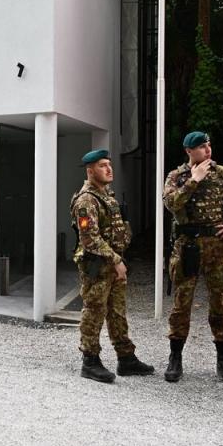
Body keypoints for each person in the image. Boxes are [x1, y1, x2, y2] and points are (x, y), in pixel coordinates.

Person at [162, 131, 223, 384]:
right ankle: (175, 358)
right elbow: (171, 203)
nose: (208, 150)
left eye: (209, 144)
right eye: (201, 146)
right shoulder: (177, 176)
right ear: (189, 151)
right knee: (181, 304)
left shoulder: (222, 173)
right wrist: (194, 180)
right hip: (187, 246)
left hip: (216, 247)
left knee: (219, 304)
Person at [71, 149, 154, 383]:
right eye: (102, 165)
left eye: (109, 164)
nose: (109, 169)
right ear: (90, 171)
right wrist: (116, 260)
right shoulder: (87, 200)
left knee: (117, 311)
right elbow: (90, 239)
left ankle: (126, 358)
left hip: (113, 263)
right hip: (97, 266)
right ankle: (90, 361)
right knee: (94, 310)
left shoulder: (107, 196)